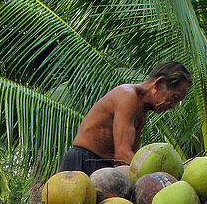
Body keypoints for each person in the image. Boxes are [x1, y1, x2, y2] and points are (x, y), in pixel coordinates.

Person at [59, 62, 192, 175]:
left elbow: (132, 156)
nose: (173, 106)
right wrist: (155, 177)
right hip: (83, 162)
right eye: (174, 98)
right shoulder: (128, 97)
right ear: (159, 83)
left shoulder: (142, 109)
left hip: (104, 168)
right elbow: (122, 155)